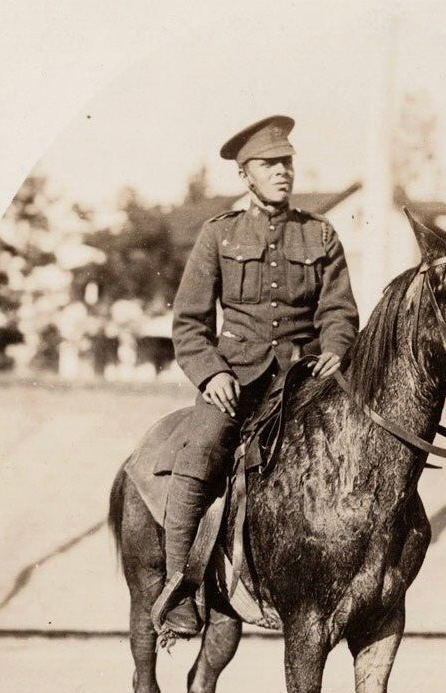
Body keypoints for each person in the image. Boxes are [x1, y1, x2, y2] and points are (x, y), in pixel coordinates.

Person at [151, 115, 359, 637]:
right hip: (236, 378)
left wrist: (337, 348)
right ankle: (179, 589)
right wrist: (211, 375)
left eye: (287, 163)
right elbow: (189, 323)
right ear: (245, 175)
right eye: (270, 165)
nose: (283, 172)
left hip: (305, 378)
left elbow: (339, 311)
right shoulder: (218, 234)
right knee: (201, 450)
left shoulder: (320, 233)